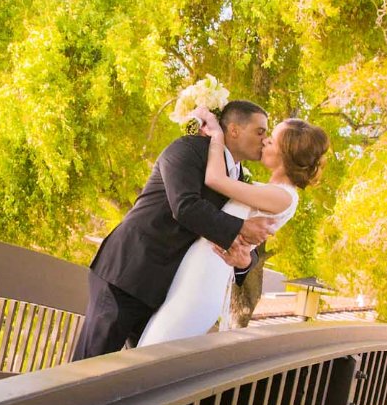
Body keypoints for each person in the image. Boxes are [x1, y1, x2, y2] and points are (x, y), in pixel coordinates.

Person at [72, 100, 278, 359]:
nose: (265, 139)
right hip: (127, 273)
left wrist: (246, 261)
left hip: (167, 290)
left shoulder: (237, 178)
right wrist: (242, 227)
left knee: (140, 371)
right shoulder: (187, 149)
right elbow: (184, 206)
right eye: (260, 131)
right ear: (234, 130)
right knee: (88, 365)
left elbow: (243, 238)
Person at [135, 107, 329, 346]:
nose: (265, 141)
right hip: (195, 267)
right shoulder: (268, 190)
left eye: (272, 139)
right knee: (154, 343)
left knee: (158, 345)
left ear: (285, 155)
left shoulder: (282, 196)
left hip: (203, 276)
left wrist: (217, 134)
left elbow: (215, 180)